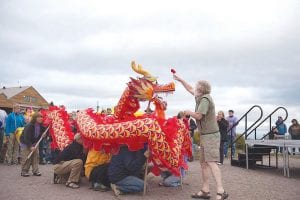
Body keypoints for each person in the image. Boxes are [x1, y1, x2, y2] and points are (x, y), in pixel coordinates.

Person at [174, 74, 228, 200]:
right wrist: (181, 79)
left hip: (210, 136)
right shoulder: (200, 96)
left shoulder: (204, 99)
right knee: (203, 164)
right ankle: (205, 190)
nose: (194, 88)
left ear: (201, 89)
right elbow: (189, 89)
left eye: (196, 86)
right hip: (205, 136)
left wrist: (188, 112)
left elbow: (198, 116)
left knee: (211, 162)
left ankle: (221, 190)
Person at [19, 112, 47, 177]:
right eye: (39, 117)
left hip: (35, 143)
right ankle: (24, 171)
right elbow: (26, 137)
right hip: (26, 143)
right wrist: (30, 146)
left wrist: (44, 135)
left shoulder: (41, 126)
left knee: (36, 157)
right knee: (27, 157)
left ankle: (35, 171)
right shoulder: (29, 126)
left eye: (41, 117)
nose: (41, 118)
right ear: (35, 118)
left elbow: (43, 133)